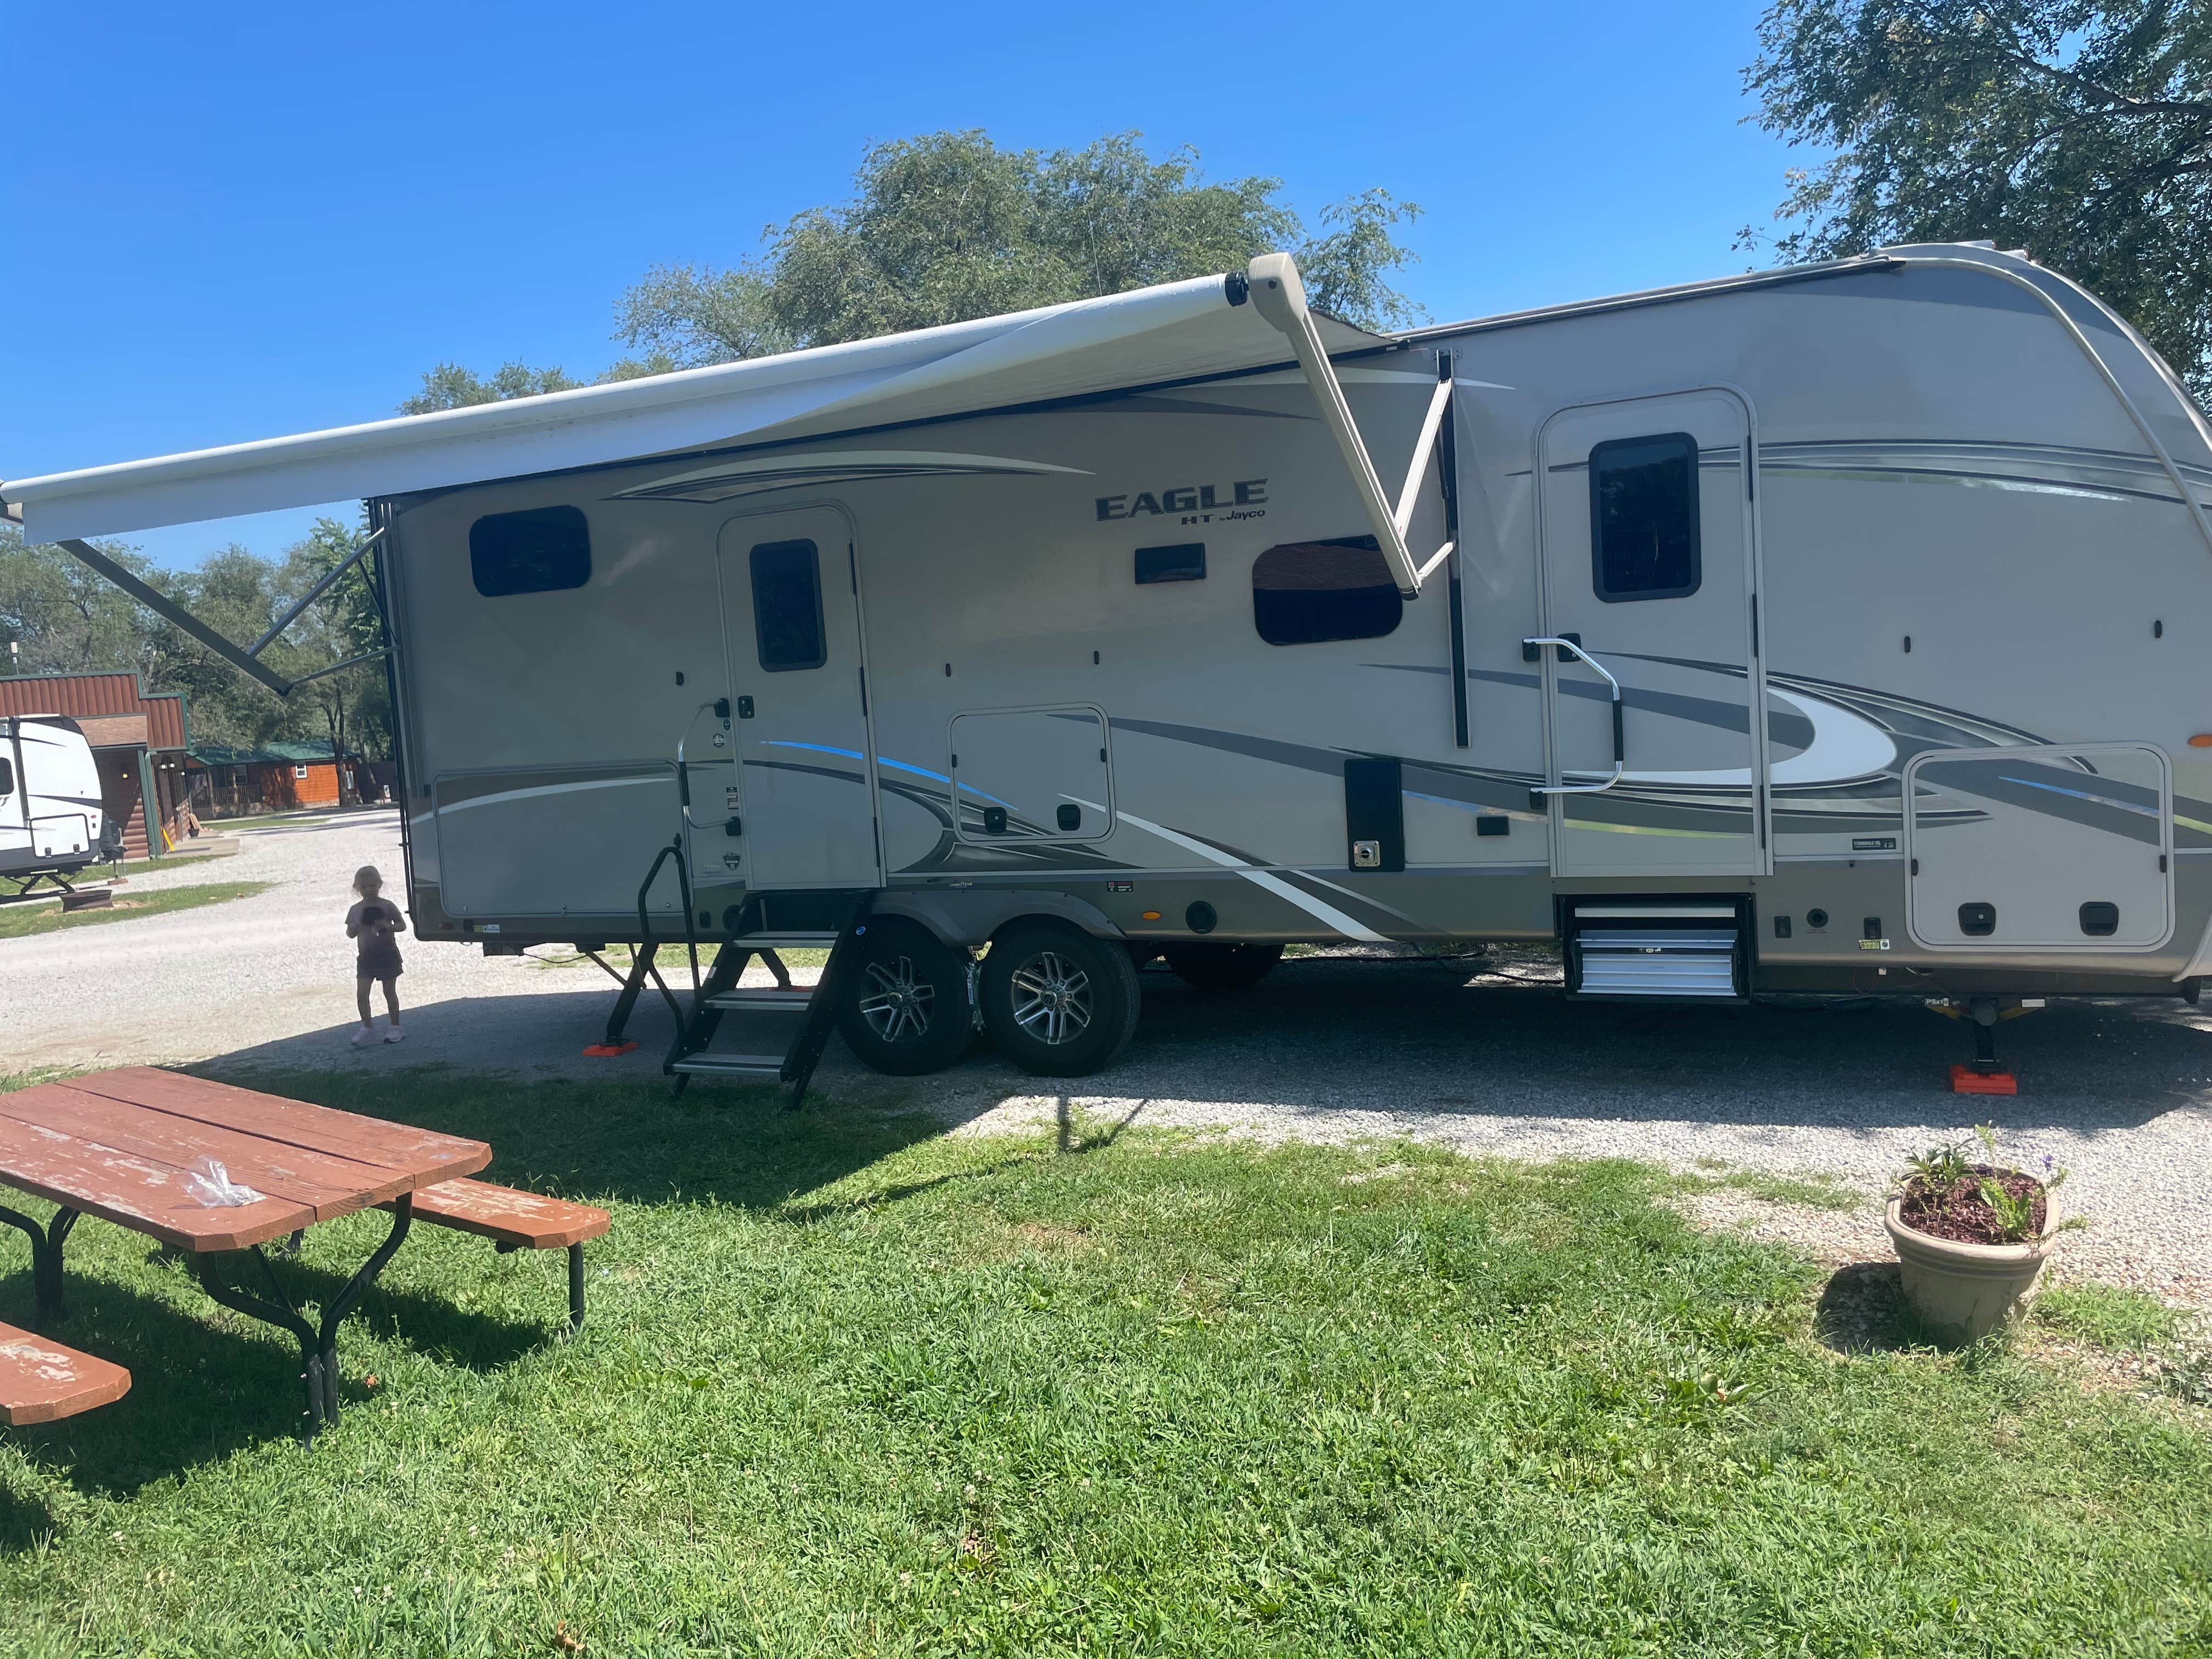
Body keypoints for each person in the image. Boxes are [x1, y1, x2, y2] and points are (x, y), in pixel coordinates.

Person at [346, 865, 407, 1046]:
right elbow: (349, 933)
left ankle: (395, 1028)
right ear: (357, 888)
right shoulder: (355, 910)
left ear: (380, 884)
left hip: (388, 955)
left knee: (389, 992)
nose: (369, 890)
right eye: (364, 887)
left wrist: (387, 926)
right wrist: (353, 929)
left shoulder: (387, 906)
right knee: (362, 994)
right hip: (365, 958)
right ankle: (367, 1028)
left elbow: (402, 925)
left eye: (373, 885)